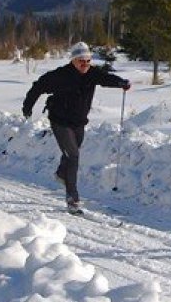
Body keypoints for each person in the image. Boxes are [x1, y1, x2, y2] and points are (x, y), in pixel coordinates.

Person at [22, 42, 130, 215]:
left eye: (88, 60)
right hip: (60, 121)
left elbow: (106, 78)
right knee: (73, 156)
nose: (85, 64)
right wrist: (27, 106)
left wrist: (121, 83)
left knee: (71, 155)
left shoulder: (92, 73)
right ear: (73, 60)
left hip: (79, 122)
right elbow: (38, 86)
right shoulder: (60, 75)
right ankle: (72, 198)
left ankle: (61, 174)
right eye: (81, 61)